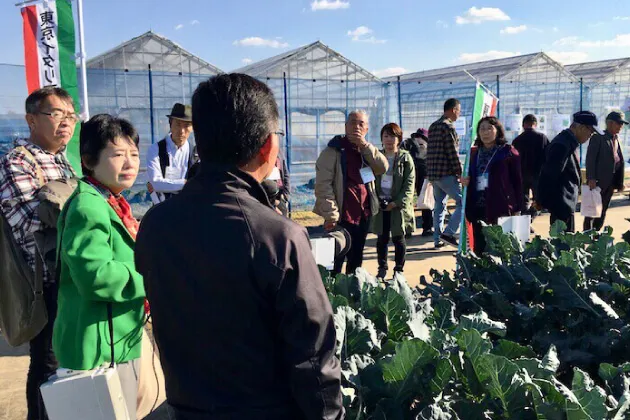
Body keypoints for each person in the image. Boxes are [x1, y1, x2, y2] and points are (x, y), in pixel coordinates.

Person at [135, 73, 344, 419]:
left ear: (199, 142)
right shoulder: (279, 236)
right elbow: (314, 357)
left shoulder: (155, 226)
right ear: (268, 146)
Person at [53, 114, 146, 417]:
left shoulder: (111, 201)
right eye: (118, 155)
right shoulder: (88, 205)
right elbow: (96, 276)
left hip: (112, 338)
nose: (130, 163)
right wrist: (152, 277)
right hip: (96, 346)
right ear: (89, 160)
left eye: (133, 154)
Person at [0, 87, 77, 420]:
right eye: (56, 114)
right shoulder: (18, 160)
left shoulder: (62, 159)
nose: (66, 123)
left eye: (70, 116)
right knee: (48, 362)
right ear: (31, 119)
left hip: (71, 275)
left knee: (68, 362)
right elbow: (33, 223)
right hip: (44, 283)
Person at [314, 110, 388, 275]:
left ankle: (354, 295)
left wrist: (365, 146)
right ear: (346, 126)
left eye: (361, 124)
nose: (356, 127)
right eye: (352, 123)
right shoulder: (332, 151)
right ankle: (331, 297)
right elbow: (323, 186)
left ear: (367, 129)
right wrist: (331, 215)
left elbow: (382, 167)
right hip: (340, 216)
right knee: (334, 261)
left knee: (356, 260)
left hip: (363, 214)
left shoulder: (366, 151)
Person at [462, 117, 523, 254]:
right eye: (482, 129)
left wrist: (518, 206)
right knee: (480, 249)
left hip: (500, 207)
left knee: (501, 248)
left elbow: (517, 181)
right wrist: (466, 181)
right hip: (478, 207)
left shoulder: (508, 152)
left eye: (490, 128)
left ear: (498, 131)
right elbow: (470, 176)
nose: (485, 132)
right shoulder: (474, 153)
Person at [537, 111, 603, 232]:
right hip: (561, 203)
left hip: (565, 203)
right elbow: (549, 175)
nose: (590, 136)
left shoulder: (568, 142)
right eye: (590, 132)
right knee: (562, 244)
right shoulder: (562, 145)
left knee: (565, 242)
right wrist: (541, 200)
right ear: (582, 128)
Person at [371, 123, 415, 279]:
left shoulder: (405, 158)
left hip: (397, 206)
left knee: (398, 237)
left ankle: (399, 270)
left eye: (393, 136)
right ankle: (382, 268)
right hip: (380, 204)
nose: (389, 140)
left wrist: (397, 203)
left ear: (399, 138)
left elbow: (409, 184)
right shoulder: (376, 156)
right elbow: (369, 180)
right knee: (381, 238)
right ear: (382, 139)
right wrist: (375, 200)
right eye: (386, 136)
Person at [427, 98, 463, 248]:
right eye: (459, 111)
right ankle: (448, 233)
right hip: (446, 174)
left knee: (439, 206)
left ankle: (437, 240)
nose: (459, 115)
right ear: (454, 110)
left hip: (434, 174)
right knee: (463, 203)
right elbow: (452, 153)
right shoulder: (448, 127)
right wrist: (459, 172)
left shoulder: (433, 126)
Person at [583, 111, 628, 231]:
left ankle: (597, 234)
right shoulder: (598, 138)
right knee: (592, 211)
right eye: (619, 123)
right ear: (609, 123)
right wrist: (591, 178)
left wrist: (620, 182)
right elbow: (590, 159)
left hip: (611, 183)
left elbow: (619, 161)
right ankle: (587, 235)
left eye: (622, 124)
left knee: (603, 210)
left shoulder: (617, 139)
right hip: (598, 182)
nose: (621, 127)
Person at [145, 103, 196, 201]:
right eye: (178, 124)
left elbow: (200, 183)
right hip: (162, 207)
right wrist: (187, 184)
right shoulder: (155, 149)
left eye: (186, 126)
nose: (181, 131)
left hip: (189, 208)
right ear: (170, 123)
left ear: (192, 128)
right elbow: (156, 183)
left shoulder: (196, 153)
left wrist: (166, 185)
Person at [512, 114, 549, 218]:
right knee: (540, 200)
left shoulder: (517, 140)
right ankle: (531, 216)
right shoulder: (542, 138)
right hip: (538, 174)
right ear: (535, 124)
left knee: (523, 201)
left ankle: (525, 221)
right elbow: (548, 156)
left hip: (521, 174)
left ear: (523, 125)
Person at [402, 128, 433, 237]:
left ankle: (422, 227)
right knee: (411, 201)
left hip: (421, 174)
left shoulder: (409, 144)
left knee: (422, 201)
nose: (419, 140)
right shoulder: (409, 145)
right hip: (415, 174)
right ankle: (412, 228)